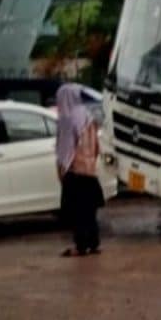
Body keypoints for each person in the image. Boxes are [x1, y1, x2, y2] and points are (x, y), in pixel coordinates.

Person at [55, 83, 105, 257]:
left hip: (75, 171)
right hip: (90, 171)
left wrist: (61, 169)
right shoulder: (89, 117)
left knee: (77, 212)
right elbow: (97, 147)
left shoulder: (68, 119)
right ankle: (93, 243)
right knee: (89, 211)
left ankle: (80, 246)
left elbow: (65, 148)